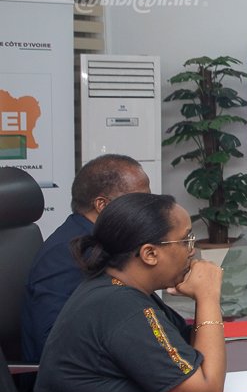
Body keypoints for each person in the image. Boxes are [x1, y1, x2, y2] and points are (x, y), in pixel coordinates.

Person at [18, 193, 226, 392]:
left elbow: (191, 353)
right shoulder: (120, 307)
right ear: (149, 254)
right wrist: (208, 296)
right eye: (185, 240)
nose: (192, 251)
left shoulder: (120, 289)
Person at [21, 154, 151, 363]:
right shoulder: (65, 254)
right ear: (102, 205)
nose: (148, 208)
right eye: (140, 200)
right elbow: (53, 344)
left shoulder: (105, 242)